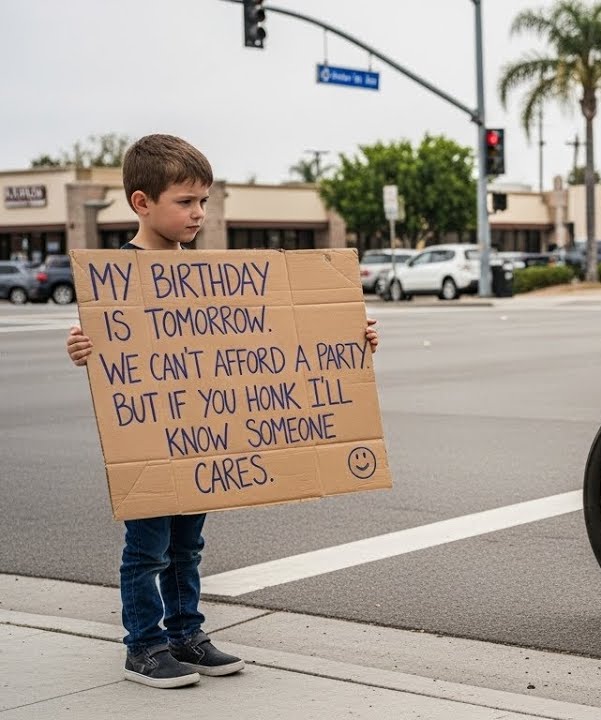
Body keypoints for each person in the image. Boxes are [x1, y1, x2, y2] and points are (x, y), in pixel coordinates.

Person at [64, 134, 381, 688]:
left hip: (199, 444)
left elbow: (280, 337)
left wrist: (351, 338)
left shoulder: (209, 275)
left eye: (204, 201)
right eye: (185, 201)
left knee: (188, 544)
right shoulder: (115, 277)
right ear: (142, 203)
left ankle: (186, 633)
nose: (199, 213)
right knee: (147, 551)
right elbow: (109, 354)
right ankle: (143, 645)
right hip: (151, 445)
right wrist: (81, 349)